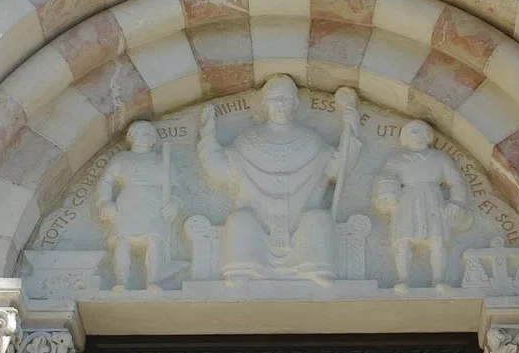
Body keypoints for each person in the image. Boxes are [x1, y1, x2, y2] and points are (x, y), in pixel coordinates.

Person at [197, 76, 359, 286]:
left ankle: (313, 267)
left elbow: (338, 168)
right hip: (258, 223)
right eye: (274, 98)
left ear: (296, 103)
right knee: (240, 221)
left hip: (300, 224)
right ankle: (244, 268)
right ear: (264, 104)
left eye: (285, 98)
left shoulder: (310, 140)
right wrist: (207, 133)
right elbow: (221, 171)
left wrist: (352, 126)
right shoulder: (248, 139)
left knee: (319, 219)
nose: (280, 103)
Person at [372, 119, 469, 291]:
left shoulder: (439, 158)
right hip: (406, 200)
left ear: (427, 134)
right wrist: (385, 197)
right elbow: (384, 179)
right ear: (404, 137)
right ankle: (403, 280)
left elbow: (456, 181)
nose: (414, 132)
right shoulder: (397, 159)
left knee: (437, 240)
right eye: (410, 130)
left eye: (417, 129)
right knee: (403, 241)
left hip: (432, 199)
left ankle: (438, 279)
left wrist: (457, 201)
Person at [96, 120, 181, 291]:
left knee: (155, 240)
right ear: (131, 137)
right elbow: (106, 181)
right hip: (128, 201)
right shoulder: (121, 159)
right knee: (122, 240)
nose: (145, 137)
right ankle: (122, 282)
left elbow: (177, 186)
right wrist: (105, 202)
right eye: (140, 133)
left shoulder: (161, 161)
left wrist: (175, 202)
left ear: (152, 139)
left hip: (155, 203)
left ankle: (153, 281)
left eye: (148, 134)